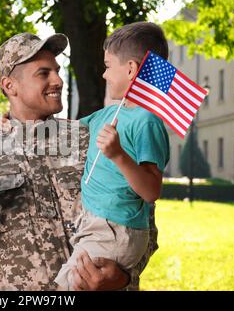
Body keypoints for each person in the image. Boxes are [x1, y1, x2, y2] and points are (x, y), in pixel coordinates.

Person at [0, 32, 159, 290]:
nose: (57, 80)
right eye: (43, 73)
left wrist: (122, 278)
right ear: (10, 86)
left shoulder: (96, 138)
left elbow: (143, 225)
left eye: (57, 70)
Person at [54, 22, 170, 290]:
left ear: (131, 69)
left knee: (68, 288)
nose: (104, 75)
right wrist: (19, 126)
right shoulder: (108, 114)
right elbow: (65, 130)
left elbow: (151, 190)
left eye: (108, 66)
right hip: (96, 223)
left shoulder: (146, 121)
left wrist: (118, 155)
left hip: (115, 228)